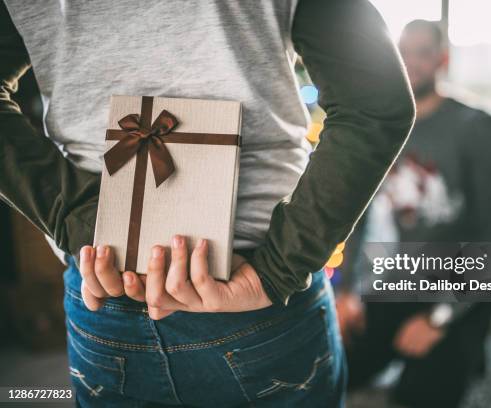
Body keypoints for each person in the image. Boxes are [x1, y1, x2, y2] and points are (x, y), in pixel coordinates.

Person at [0, 1, 415, 406]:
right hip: (253, 285)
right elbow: (376, 104)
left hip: (107, 279)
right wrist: (278, 269)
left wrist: (76, 217)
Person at [336, 20, 491, 407]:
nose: (410, 62)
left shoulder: (479, 130)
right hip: (398, 287)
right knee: (332, 371)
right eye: (403, 52)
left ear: (443, 60)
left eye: (422, 52)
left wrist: (439, 319)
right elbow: (360, 216)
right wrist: (348, 291)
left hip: (462, 297)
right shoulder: (383, 130)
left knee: (420, 394)